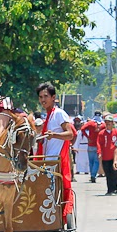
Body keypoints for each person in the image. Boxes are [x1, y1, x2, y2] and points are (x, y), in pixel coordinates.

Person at [37, 82, 75, 220]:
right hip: (48, 162)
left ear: (53, 97)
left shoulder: (59, 113)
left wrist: (54, 135)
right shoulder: (47, 116)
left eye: (46, 96)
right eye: (40, 97)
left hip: (57, 162)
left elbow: (70, 134)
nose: (43, 100)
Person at [97, 115, 117, 195]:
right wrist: (99, 152)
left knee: (114, 173)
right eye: (106, 123)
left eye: (109, 123)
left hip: (115, 157)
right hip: (105, 157)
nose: (108, 125)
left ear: (112, 123)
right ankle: (109, 189)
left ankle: (115, 189)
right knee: (108, 174)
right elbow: (99, 144)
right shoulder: (101, 133)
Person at [80, 114, 102, 182]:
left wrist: (87, 137)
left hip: (90, 144)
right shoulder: (103, 124)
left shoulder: (90, 123)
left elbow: (82, 129)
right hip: (98, 145)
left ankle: (92, 174)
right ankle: (93, 175)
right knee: (96, 161)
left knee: (91, 161)